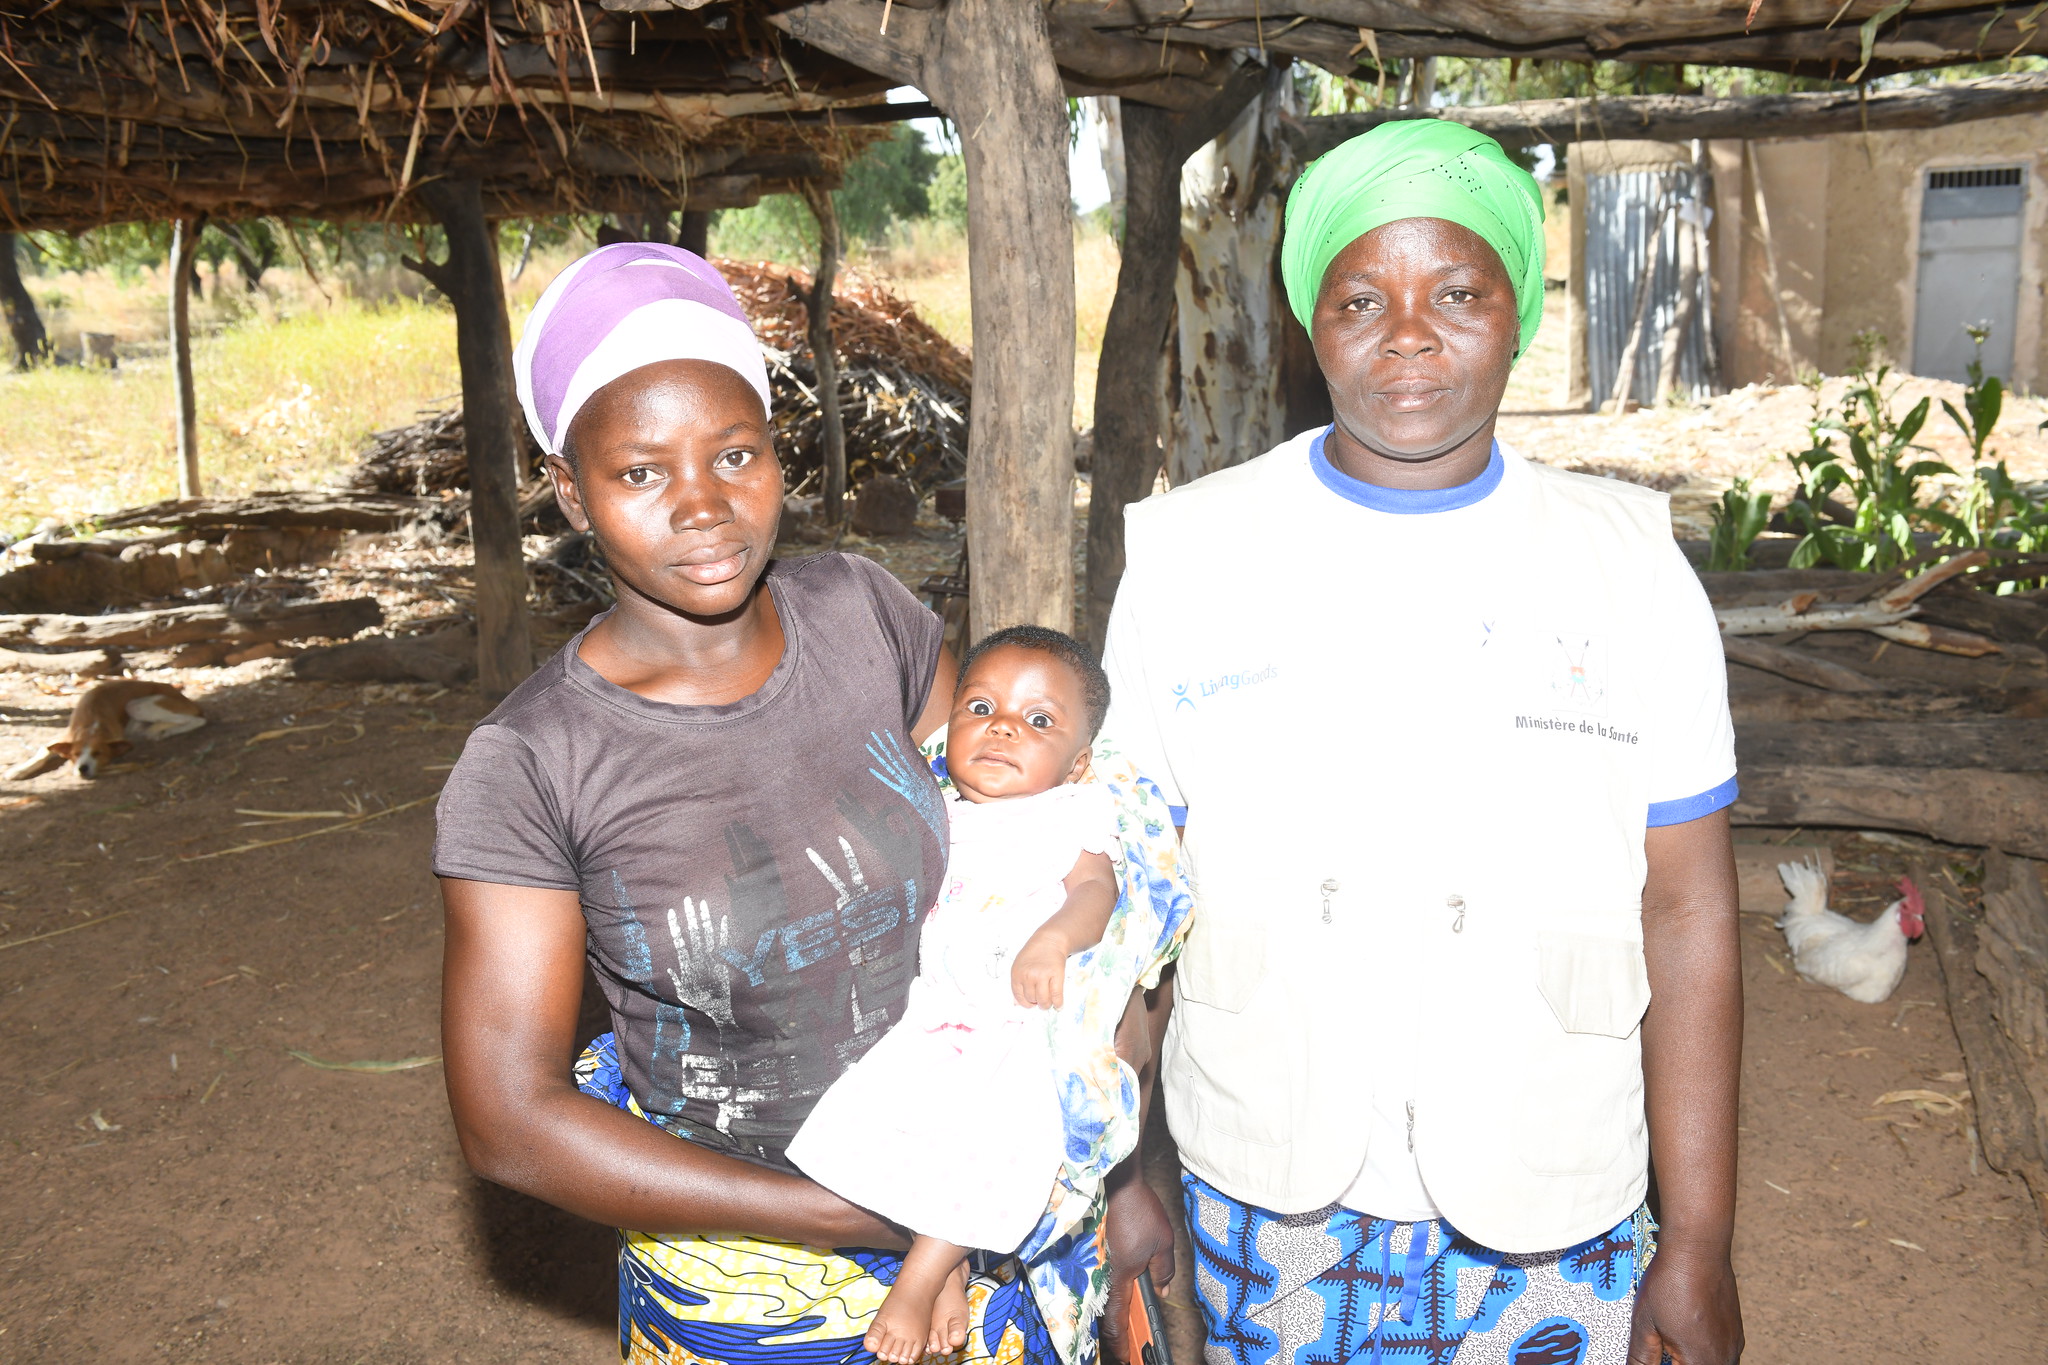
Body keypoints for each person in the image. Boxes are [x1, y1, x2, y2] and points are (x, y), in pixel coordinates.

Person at [1101, 121, 1744, 1365]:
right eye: (1360, 299)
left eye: (1456, 293)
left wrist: (1700, 1238)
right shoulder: (1189, 559)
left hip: (1552, 1194)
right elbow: (1129, 904)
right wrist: (1120, 1176)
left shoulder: (1626, 567)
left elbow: (1685, 906)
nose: (1406, 333)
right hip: (1269, 1188)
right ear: (1309, 324)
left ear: (1518, 312)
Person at [432, 242, 1063, 1363]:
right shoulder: (533, 763)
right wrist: (861, 1216)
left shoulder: (862, 613)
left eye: (735, 455)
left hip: (994, 1216)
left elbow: (1023, 847)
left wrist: (1110, 1165)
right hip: (755, 1290)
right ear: (571, 492)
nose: (704, 507)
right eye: (641, 474)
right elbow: (510, 1122)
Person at [788, 626, 1124, 1363]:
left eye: (1039, 719)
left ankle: (918, 1279)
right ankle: (947, 1267)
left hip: (1016, 1024)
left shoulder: (1070, 813)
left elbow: (1096, 892)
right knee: (890, 1125)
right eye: (980, 707)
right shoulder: (935, 812)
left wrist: (1054, 939)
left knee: (990, 1139)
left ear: (1078, 761)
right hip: (936, 1014)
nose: (1003, 726)